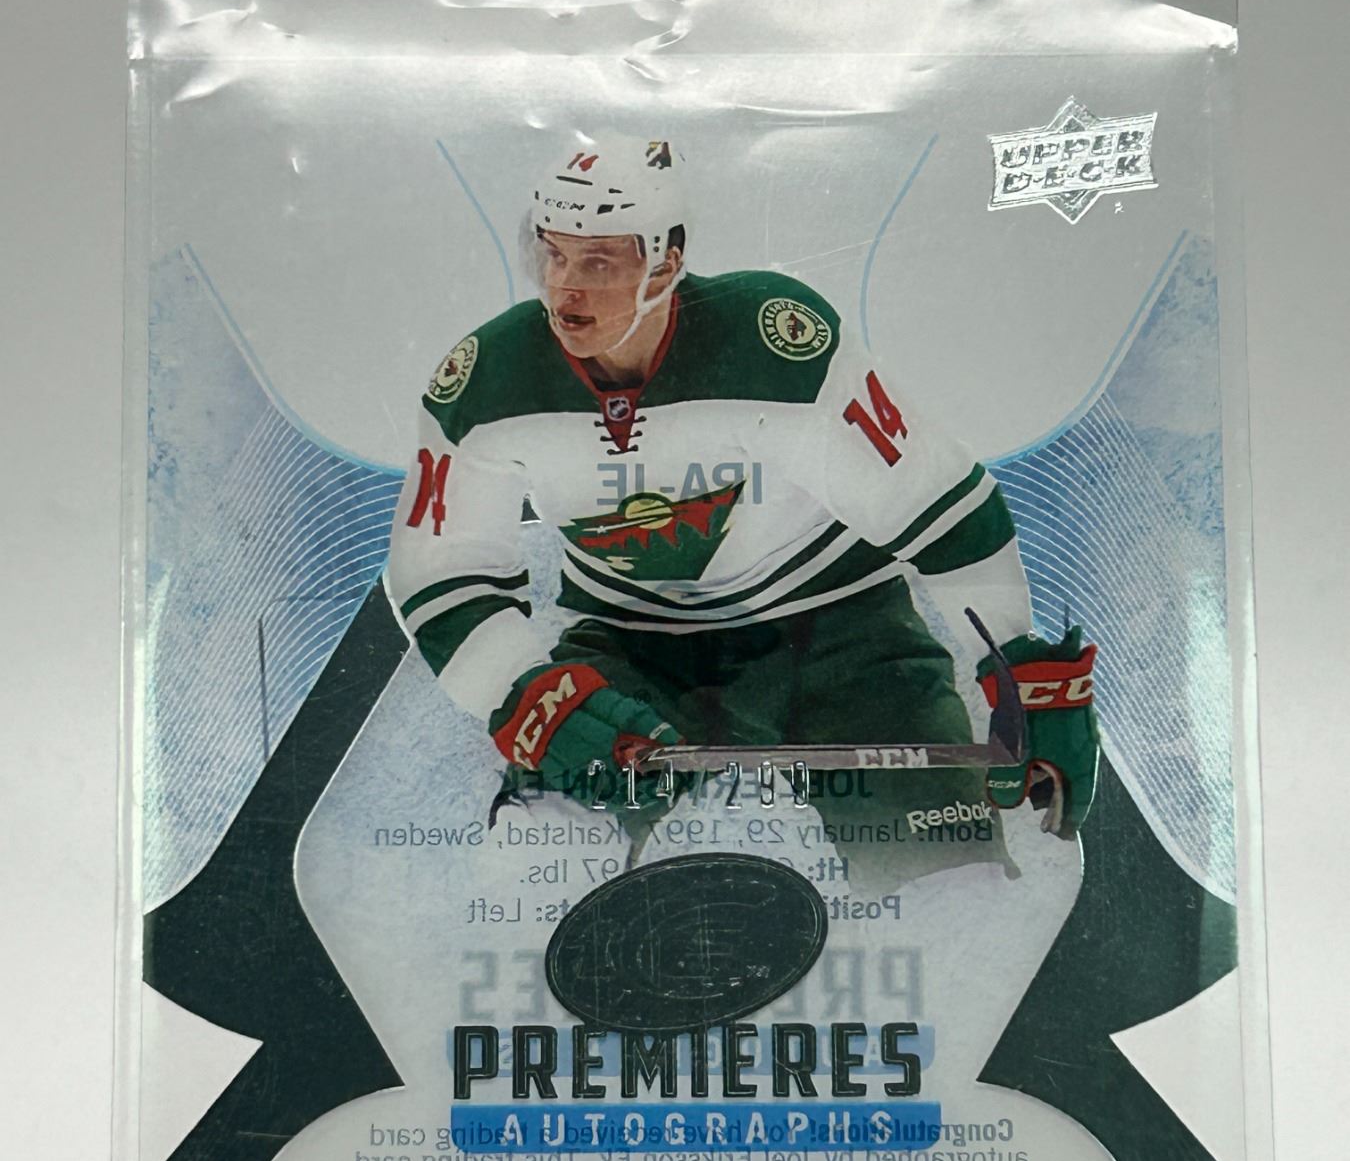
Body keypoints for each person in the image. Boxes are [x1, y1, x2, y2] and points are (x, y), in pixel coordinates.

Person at [387, 136, 1098, 878]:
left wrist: (1019, 662)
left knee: (946, 877)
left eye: (598, 262)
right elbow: (441, 574)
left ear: (666, 262)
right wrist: (527, 695)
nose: (564, 289)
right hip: (633, 645)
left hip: (840, 633)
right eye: (552, 254)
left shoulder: (772, 343)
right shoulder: (485, 382)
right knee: (535, 869)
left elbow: (941, 506)